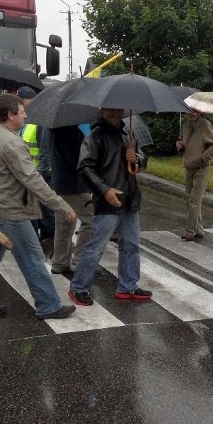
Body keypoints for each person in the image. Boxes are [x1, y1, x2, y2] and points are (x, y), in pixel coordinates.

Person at [0, 93, 77, 321]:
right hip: (10, 211)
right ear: (10, 115)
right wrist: (61, 205)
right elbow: (33, 180)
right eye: (22, 111)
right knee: (33, 258)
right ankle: (48, 305)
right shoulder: (11, 142)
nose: (26, 114)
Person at [68, 108, 152, 306]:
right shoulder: (95, 138)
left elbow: (143, 160)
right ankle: (78, 287)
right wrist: (104, 190)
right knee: (95, 248)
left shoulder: (127, 134)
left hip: (130, 201)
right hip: (108, 203)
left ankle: (128, 286)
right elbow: (85, 168)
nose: (115, 113)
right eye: (110, 110)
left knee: (131, 246)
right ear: (101, 110)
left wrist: (137, 159)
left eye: (118, 110)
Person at [50, 125, 94, 274]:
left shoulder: (57, 130)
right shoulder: (70, 131)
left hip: (61, 182)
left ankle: (60, 262)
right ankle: (81, 260)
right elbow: (76, 159)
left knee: (65, 223)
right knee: (91, 220)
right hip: (73, 185)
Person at [176, 110, 213, 241]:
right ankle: (199, 230)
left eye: (195, 110)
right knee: (190, 198)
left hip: (201, 168)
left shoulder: (205, 125)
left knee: (194, 201)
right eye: (190, 110)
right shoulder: (185, 126)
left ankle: (190, 231)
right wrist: (180, 146)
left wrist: (203, 158)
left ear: (199, 111)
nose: (192, 113)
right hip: (188, 167)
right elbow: (186, 145)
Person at [18, 86, 55, 243]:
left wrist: (40, 174)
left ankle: (54, 237)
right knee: (39, 209)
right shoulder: (28, 120)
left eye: (21, 100)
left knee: (46, 210)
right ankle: (45, 235)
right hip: (32, 173)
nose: (19, 103)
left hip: (41, 174)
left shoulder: (40, 121)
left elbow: (44, 151)